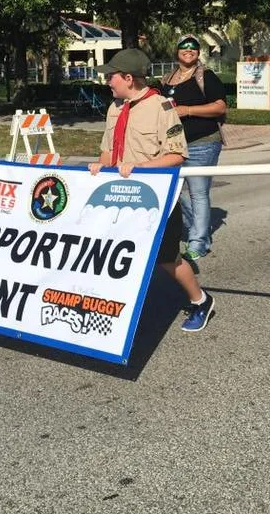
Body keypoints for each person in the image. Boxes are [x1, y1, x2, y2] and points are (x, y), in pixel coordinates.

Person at [89, 48, 215, 332]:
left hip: (155, 196)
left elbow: (176, 156)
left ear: (129, 78)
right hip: (118, 195)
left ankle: (200, 300)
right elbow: (108, 150)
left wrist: (139, 166)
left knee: (167, 257)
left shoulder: (162, 108)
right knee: (115, 251)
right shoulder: (114, 108)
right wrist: (99, 166)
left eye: (112, 77)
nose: (107, 82)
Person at [160, 35, 227, 260]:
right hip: (173, 146)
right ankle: (196, 227)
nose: (189, 50)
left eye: (193, 48)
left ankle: (198, 241)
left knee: (198, 193)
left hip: (203, 143)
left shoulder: (206, 76)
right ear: (177, 51)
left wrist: (188, 110)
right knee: (173, 191)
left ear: (198, 53)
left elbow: (219, 107)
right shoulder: (167, 79)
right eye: (184, 47)